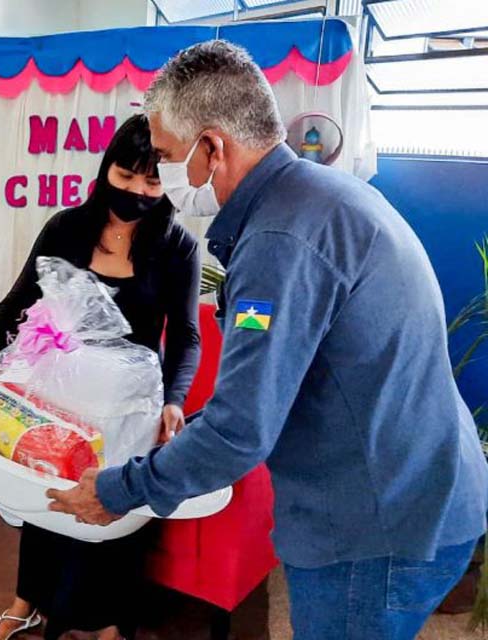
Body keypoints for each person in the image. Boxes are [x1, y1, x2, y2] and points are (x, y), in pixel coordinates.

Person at [47, 41, 488, 640]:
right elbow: (284, 377)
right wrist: (198, 421)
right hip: (423, 489)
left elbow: (240, 433)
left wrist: (121, 490)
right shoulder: (323, 197)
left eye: (169, 157)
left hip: (376, 528)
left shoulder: (281, 241)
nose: (165, 178)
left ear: (211, 147)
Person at [0, 115, 202, 640]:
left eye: (153, 181)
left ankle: (108, 625)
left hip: (129, 410)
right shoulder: (66, 227)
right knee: (45, 499)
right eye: (126, 175)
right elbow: (19, 298)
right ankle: (26, 602)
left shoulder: (177, 247)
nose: (138, 192)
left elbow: (187, 336)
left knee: (113, 513)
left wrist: (175, 400)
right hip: (58, 398)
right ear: (105, 168)